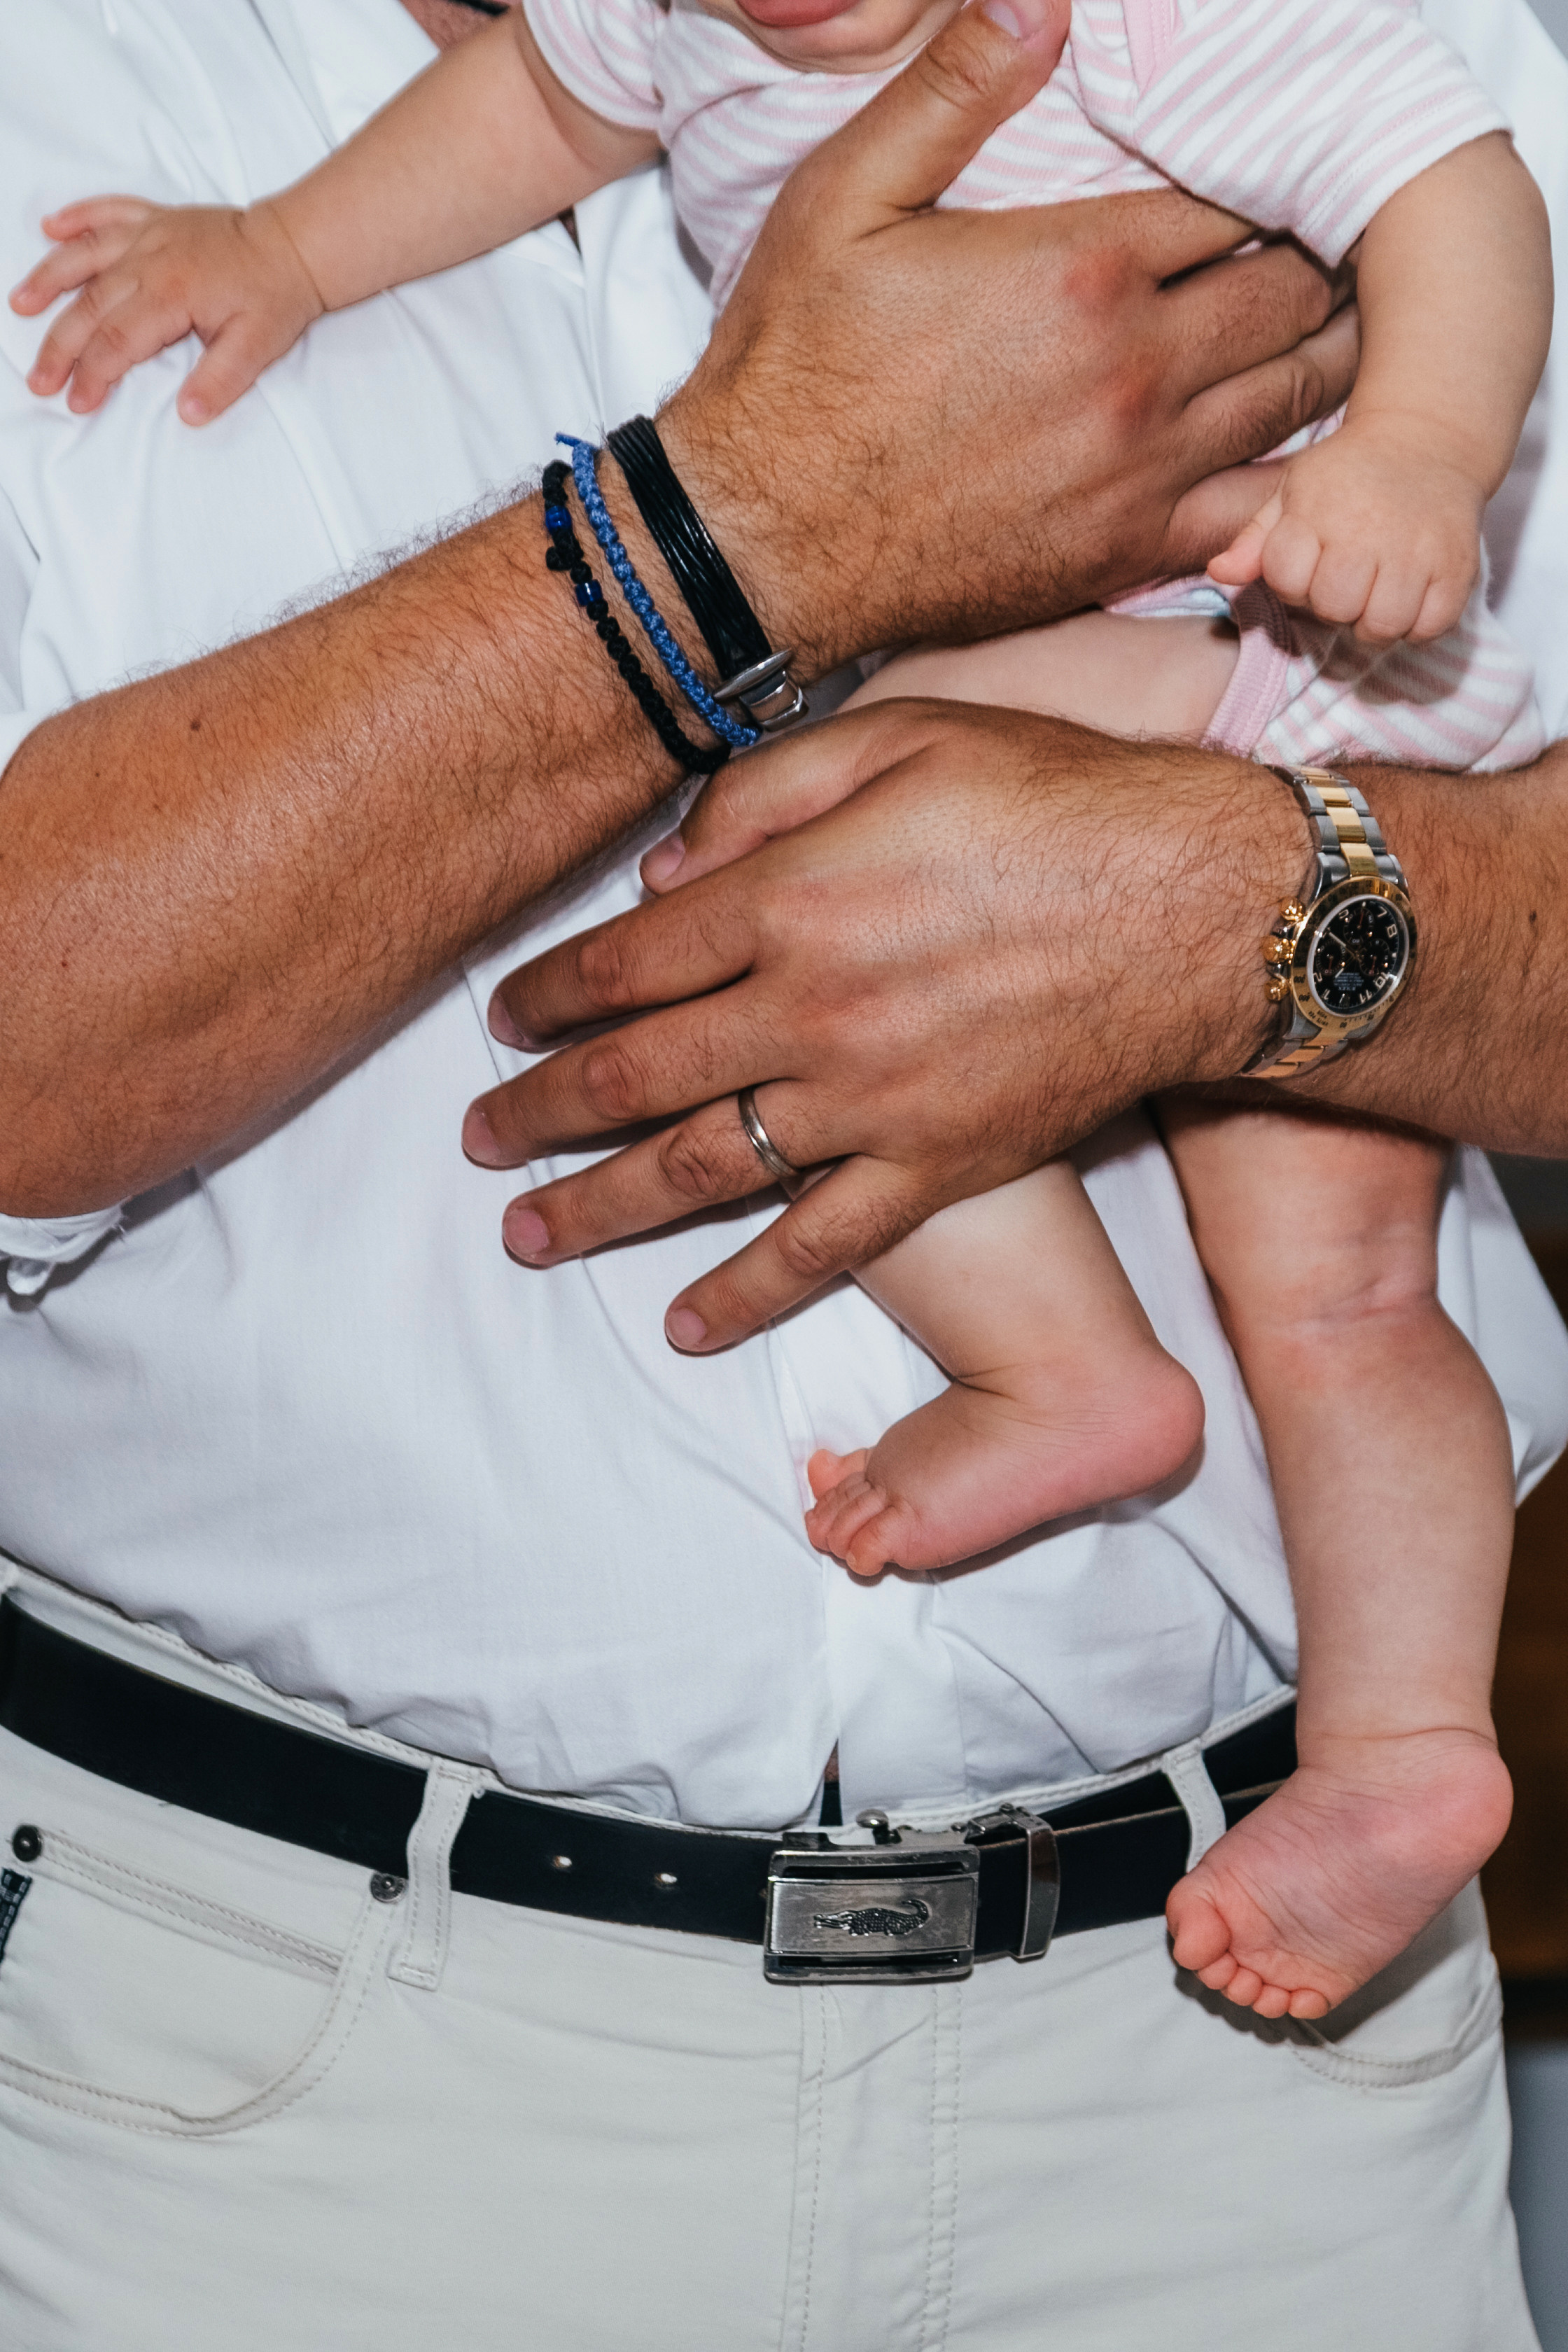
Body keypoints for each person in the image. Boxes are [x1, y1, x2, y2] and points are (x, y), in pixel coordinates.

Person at [0, 0, 1563, 2344]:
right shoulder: (115, 102)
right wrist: (735, 532)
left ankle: (1405, 1735)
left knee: (1340, 1296)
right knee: (771, 878)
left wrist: (1254, 914)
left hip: (1243, 2089)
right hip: (287, 2080)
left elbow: (1440, 213)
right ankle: (1085, 1394)